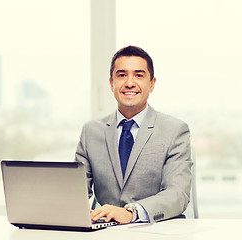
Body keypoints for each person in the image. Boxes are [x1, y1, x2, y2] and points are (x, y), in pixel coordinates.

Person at [75, 45, 192, 224]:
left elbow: (177, 194)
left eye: (139, 75)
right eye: (121, 75)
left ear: (151, 84)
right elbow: (76, 193)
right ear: (111, 83)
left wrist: (132, 213)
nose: (129, 83)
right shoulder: (90, 131)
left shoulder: (175, 130)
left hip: (157, 231)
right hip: (105, 232)